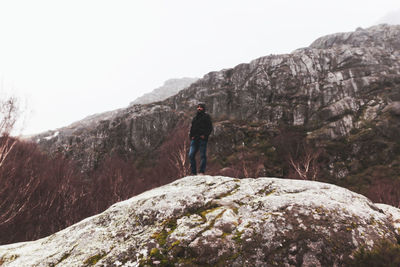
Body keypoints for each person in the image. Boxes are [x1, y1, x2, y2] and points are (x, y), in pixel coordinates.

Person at [189, 103, 213, 175]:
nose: (199, 108)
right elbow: (192, 128)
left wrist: (205, 136)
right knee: (191, 155)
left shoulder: (206, 117)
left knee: (202, 155)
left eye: (201, 107)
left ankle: (201, 171)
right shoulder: (195, 118)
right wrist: (191, 136)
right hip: (194, 139)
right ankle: (193, 173)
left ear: (203, 108)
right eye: (198, 107)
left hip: (202, 139)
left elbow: (210, 128)